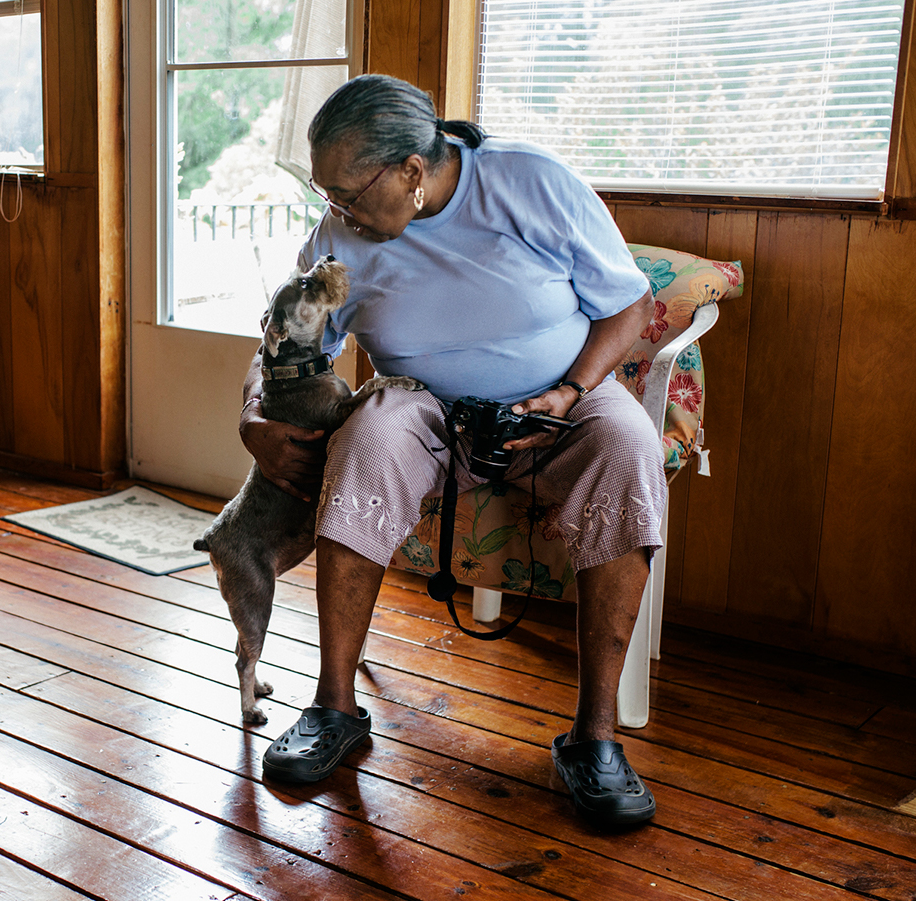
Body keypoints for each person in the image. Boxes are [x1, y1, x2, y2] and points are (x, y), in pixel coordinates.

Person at [239, 74, 662, 828]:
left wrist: (571, 389)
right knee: (369, 430)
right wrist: (252, 417)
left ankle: (594, 739)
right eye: (325, 193)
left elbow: (629, 302)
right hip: (425, 405)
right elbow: (283, 339)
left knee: (629, 441)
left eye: (347, 191)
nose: (335, 211)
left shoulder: (527, 181)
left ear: (410, 170)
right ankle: (335, 704)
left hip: (560, 398)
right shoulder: (344, 237)